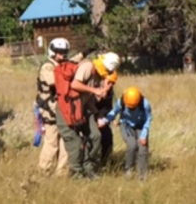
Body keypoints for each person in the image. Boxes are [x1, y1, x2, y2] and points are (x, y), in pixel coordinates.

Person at [57, 51, 120, 180]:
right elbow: (75, 84)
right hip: (68, 108)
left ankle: (89, 168)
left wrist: (96, 114)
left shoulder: (98, 75)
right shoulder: (88, 66)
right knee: (75, 141)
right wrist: (95, 90)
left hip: (84, 108)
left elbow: (88, 98)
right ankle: (76, 173)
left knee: (95, 136)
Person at [34, 38, 88, 176]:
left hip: (64, 110)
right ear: (53, 52)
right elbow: (56, 80)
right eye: (59, 52)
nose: (62, 55)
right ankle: (43, 171)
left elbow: (69, 65)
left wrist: (84, 53)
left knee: (65, 142)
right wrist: (73, 69)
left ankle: (61, 173)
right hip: (50, 111)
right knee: (51, 143)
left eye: (64, 52)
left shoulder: (63, 65)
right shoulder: (47, 67)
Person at [98, 86, 152, 180]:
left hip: (141, 126)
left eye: (133, 107)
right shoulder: (122, 101)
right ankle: (128, 170)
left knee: (142, 148)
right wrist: (105, 121)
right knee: (132, 145)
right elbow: (114, 112)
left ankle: (142, 174)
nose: (131, 108)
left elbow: (148, 120)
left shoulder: (145, 105)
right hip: (126, 125)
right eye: (129, 107)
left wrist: (143, 136)